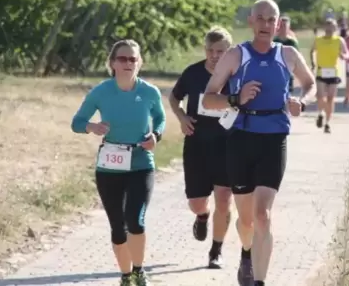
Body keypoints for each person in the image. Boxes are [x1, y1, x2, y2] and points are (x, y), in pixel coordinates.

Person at [202, 0, 316, 286]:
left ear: (278, 24)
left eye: (271, 19)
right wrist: (235, 98)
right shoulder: (235, 55)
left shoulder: (288, 54)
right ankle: (246, 252)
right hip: (241, 138)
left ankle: (260, 281)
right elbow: (208, 98)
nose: (266, 25)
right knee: (246, 221)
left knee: (263, 215)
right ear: (251, 21)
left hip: (274, 138)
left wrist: (301, 101)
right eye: (261, 19)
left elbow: (310, 83)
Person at [71, 39, 166, 286]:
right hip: (110, 165)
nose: (127, 63)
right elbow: (77, 122)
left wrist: (155, 135)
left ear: (139, 63)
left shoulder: (149, 92)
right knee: (117, 225)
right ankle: (125, 276)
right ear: (112, 63)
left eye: (132, 59)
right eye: (122, 59)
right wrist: (92, 126)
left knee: (135, 219)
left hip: (141, 161)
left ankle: (138, 270)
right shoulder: (101, 91)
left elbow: (160, 118)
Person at [168, 26, 233, 269]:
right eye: (211, 51)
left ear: (229, 51)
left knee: (224, 198)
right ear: (205, 50)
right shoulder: (193, 73)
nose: (215, 56)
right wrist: (182, 117)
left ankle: (216, 251)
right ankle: (202, 215)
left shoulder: (235, 75)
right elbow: (174, 97)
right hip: (196, 143)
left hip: (226, 144)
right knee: (196, 201)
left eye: (221, 51)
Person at [310, 18, 349, 134]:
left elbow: (347, 54)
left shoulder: (339, 40)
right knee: (320, 97)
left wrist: (344, 56)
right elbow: (312, 51)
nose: (329, 29)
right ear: (324, 28)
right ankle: (321, 113)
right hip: (321, 71)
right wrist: (313, 63)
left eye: (332, 26)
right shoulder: (318, 40)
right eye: (327, 26)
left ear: (335, 28)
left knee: (331, 99)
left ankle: (327, 123)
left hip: (333, 72)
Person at [273, 16, 299, 93]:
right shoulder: (274, 41)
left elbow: (297, 57)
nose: (283, 28)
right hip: (276, 73)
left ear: (288, 27)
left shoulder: (292, 42)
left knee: (287, 96)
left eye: (285, 26)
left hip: (288, 73)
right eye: (281, 25)